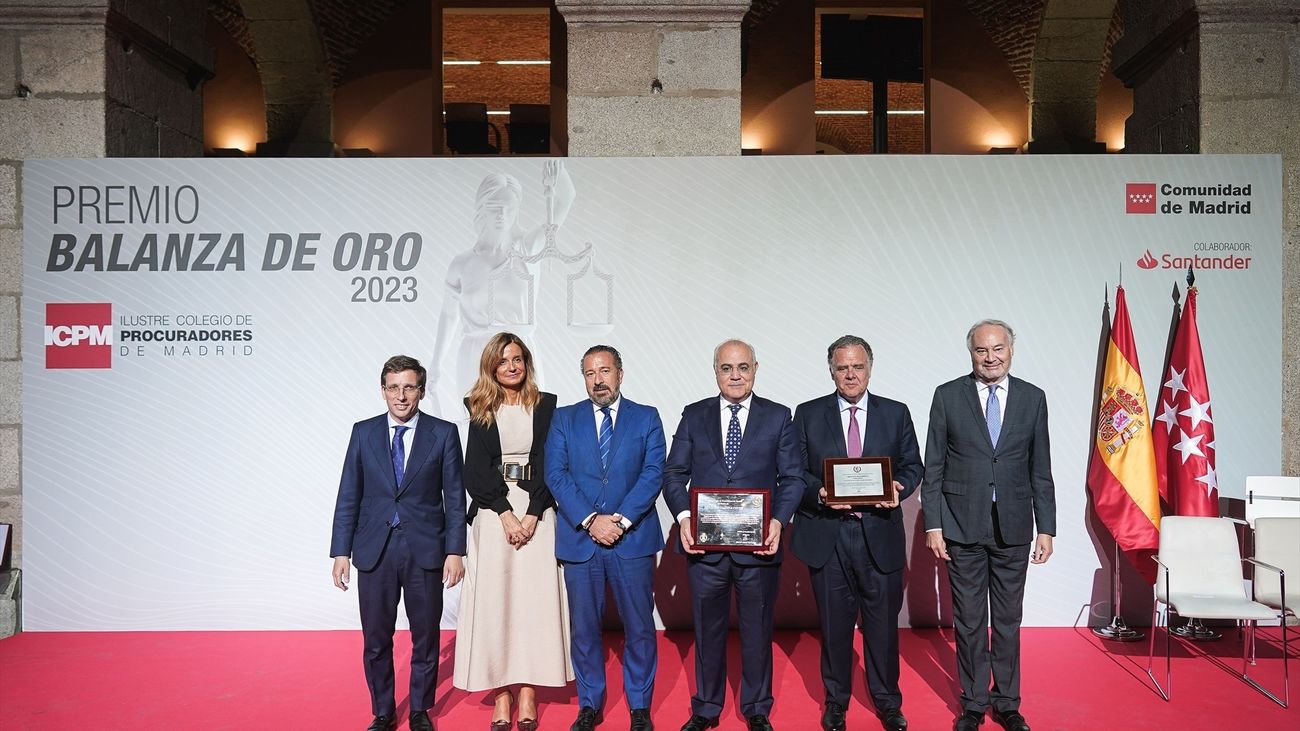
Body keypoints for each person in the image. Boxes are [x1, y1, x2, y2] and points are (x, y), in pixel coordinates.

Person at [662, 339, 804, 731]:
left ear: (756, 368)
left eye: (743, 367)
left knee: (757, 630)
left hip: (759, 547)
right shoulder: (694, 415)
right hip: (704, 547)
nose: (736, 375)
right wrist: (684, 516)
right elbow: (673, 474)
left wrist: (777, 522)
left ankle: (757, 708)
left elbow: (792, 478)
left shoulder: (778, 417)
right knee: (706, 631)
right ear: (716, 372)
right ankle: (706, 708)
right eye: (727, 368)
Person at [921, 320, 1056, 731]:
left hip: (1014, 527)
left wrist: (1046, 527)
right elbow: (935, 468)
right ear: (971, 353)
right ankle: (974, 703)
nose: (991, 357)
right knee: (969, 620)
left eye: (998, 348)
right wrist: (933, 525)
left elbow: (1041, 468)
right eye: (982, 350)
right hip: (961, 527)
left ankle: (1008, 703)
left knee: (1008, 621)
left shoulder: (1033, 398)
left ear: (1011, 350)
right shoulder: (947, 396)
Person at [791, 336, 922, 731]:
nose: (850, 374)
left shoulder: (896, 413)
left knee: (883, 627)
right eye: (842, 367)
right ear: (830, 370)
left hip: (879, 533)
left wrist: (898, 488)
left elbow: (914, 466)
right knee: (833, 627)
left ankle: (887, 702)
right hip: (828, 535)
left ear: (870, 367)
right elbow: (795, 472)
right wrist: (820, 493)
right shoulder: (808, 414)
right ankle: (836, 702)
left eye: (858, 366)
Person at [331, 355, 468, 731]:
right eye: (393, 387)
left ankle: (421, 709)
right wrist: (341, 551)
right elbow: (349, 495)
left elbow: (454, 498)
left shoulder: (443, 433)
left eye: (409, 387)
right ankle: (383, 710)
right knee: (376, 639)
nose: (401, 396)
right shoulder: (363, 432)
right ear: (383, 391)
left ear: (421, 391)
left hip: (425, 549)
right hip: (374, 551)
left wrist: (455, 550)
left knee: (426, 637)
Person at [453, 333, 574, 731]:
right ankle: (501, 691)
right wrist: (506, 514)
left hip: (537, 509)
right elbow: (475, 469)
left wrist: (534, 514)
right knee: (497, 602)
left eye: (518, 359)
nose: (512, 366)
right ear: (491, 365)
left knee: (534, 603)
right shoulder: (478, 405)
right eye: (503, 360)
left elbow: (550, 462)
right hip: (493, 512)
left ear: (527, 363)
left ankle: (529, 692)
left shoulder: (546, 404)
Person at [545, 345, 666, 731]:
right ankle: (589, 704)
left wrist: (623, 520)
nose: (598, 380)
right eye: (590, 373)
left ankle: (640, 707)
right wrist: (591, 520)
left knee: (640, 627)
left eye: (605, 371)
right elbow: (556, 475)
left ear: (620, 373)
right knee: (583, 628)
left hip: (633, 540)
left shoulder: (647, 417)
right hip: (582, 540)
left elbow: (653, 472)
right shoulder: (563, 419)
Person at [428, 162, 576, 419]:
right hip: (474, 356)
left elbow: (567, 198)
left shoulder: (529, 248)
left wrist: (557, 171)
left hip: (519, 354)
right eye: (495, 207)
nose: (502, 214)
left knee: (528, 428)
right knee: (478, 432)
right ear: (481, 208)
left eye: (509, 208)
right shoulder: (462, 263)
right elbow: (448, 315)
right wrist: (436, 363)